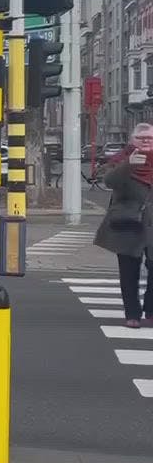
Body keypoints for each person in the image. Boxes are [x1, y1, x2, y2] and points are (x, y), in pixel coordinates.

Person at [93, 123, 153, 328]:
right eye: (141, 138)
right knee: (129, 271)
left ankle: (151, 309)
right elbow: (108, 180)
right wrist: (129, 164)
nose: (146, 141)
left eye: (150, 138)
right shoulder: (120, 160)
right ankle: (132, 314)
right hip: (129, 223)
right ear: (131, 140)